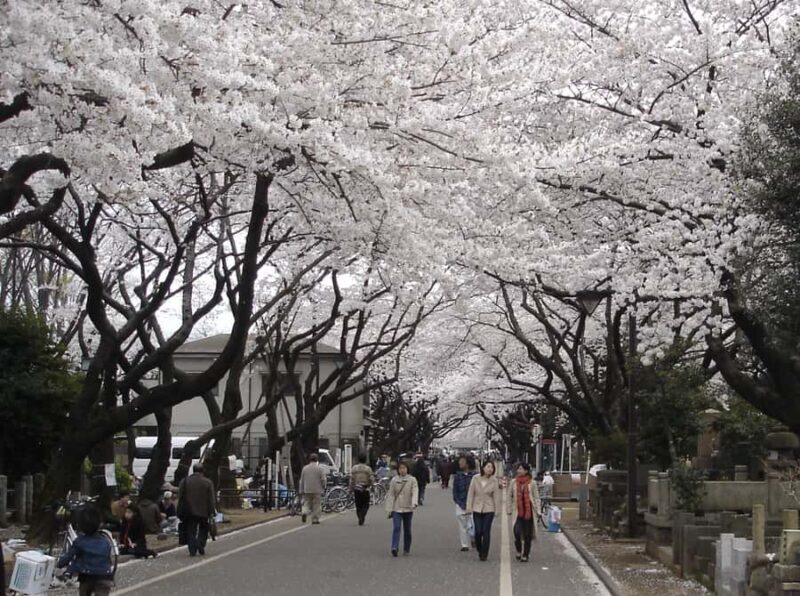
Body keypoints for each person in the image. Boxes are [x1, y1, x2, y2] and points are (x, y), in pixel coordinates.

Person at [56, 505, 115, 595]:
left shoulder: (80, 541)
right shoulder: (105, 541)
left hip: (87, 576)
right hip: (105, 575)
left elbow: (68, 557)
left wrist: (59, 564)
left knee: (84, 591)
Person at [177, 463, 216, 557]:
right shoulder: (207, 482)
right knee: (204, 528)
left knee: (191, 529)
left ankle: (192, 548)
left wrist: (179, 510)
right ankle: (200, 543)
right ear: (203, 471)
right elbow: (211, 498)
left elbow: (180, 496)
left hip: (189, 510)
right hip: (204, 510)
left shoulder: (185, 481)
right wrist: (212, 511)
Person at [466, 460, 502, 561]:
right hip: (477, 508)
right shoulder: (475, 478)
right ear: (483, 467)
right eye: (488, 467)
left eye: (492, 467)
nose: (490, 469)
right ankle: (479, 547)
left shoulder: (494, 480)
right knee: (478, 532)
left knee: (486, 531)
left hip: (489, 508)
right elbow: (471, 493)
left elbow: (496, 496)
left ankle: (484, 554)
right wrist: (469, 507)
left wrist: (497, 510)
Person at [507, 462, 540, 562]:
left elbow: (536, 497)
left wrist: (538, 510)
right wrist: (509, 509)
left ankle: (525, 554)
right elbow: (509, 496)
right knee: (516, 532)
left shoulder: (532, 483)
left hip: (529, 512)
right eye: (518, 469)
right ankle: (518, 550)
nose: (519, 471)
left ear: (526, 470)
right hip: (517, 511)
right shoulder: (513, 482)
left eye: (521, 469)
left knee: (527, 534)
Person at [385, 460, 418, 557]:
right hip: (397, 508)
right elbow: (391, 494)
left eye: (404, 468)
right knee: (396, 527)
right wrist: (389, 508)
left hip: (408, 507)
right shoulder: (394, 480)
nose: (402, 470)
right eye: (400, 468)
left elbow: (415, 491)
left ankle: (406, 548)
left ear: (407, 469)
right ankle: (394, 547)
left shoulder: (412, 480)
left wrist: (414, 502)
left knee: (407, 529)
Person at [452, 456, 476, 552]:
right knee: (462, 524)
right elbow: (455, 490)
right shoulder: (458, 476)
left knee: (473, 523)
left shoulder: (475, 476)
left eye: (462, 461)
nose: (460, 463)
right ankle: (464, 544)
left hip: (473, 503)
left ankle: (474, 538)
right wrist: (457, 500)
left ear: (468, 463)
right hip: (460, 502)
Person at [299, 453, 327, 525]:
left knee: (307, 503)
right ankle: (315, 519)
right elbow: (323, 479)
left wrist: (301, 489)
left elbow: (302, 480)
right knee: (316, 505)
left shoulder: (305, 468)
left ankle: (304, 512)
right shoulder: (320, 469)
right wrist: (324, 486)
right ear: (317, 459)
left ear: (310, 459)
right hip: (317, 489)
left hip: (307, 489)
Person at [350, 454, 374, 526]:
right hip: (365, 488)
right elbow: (371, 478)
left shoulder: (354, 468)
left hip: (357, 488)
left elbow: (351, 479)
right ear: (365, 459)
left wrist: (351, 488)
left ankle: (360, 516)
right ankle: (362, 515)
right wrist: (372, 485)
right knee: (366, 504)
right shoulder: (368, 469)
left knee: (358, 504)